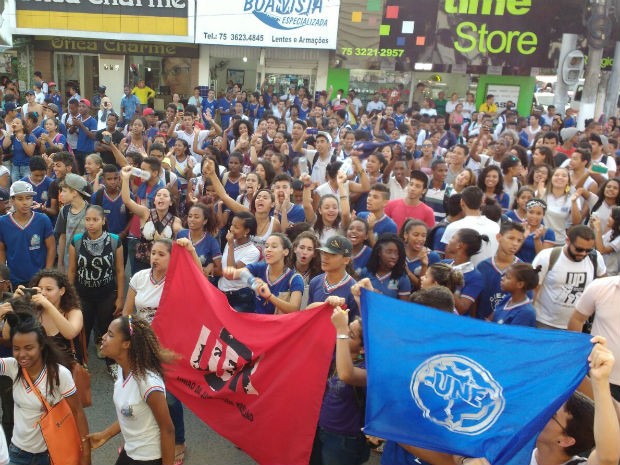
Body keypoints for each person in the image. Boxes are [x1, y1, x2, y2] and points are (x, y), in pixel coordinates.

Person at [123, 239, 198, 464]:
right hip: (140, 344)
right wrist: (127, 339)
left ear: (172, 258)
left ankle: (179, 441)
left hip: (167, 347)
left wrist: (191, 250)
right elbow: (127, 312)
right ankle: (137, 440)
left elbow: (200, 280)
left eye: (161, 254)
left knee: (171, 397)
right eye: (153, 253)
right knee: (138, 393)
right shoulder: (139, 277)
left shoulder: (177, 281)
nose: (154, 257)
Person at [0, 312, 89, 465]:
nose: (22, 355)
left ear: (41, 345)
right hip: (17, 454)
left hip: (52, 455)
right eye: (16, 348)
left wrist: (86, 453)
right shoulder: (12, 367)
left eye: (29, 348)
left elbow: (78, 412)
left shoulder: (59, 374)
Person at [88, 315, 175, 465]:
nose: (102, 337)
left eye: (110, 334)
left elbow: (168, 430)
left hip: (149, 459)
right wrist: (105, 435)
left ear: (126, 344)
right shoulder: (123, 372)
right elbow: (130, 413)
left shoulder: (148, 383)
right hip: (131, 453)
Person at [310, 305, 369, 465]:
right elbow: (308, 311)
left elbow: (346, 374)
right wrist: (327, 304)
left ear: (363, 348)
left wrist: (342, 330)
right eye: (347, 328)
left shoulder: (368, 369)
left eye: (350, 334)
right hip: (319, 428)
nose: (342, 334)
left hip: (343, 439)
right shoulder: (338, 352)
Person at [68, 205, 124, 368]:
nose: (91, 223)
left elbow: (120, 271)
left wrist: (120, 298)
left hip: (106, 294)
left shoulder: (114, 241)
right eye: (87, 219)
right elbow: (72, 271)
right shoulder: (77, 241)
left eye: (95, 220)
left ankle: (111, 363)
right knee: (82, 328)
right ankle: (80, 361)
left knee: (107, 326)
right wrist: (69, 297)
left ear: (103, 221)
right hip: (83, 293)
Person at [533, 225, 606, 329]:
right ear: (567, 241)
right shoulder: (547, 256)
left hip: (578, 325)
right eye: (579, 249)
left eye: (588, 250)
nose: (583, 253)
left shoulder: (595, 257)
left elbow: (603, 286)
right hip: (544, 323)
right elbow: (533, 290)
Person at [223, 233, 304, 314]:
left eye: (274, 246)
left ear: (285, 252)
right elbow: (240, 273)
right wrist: (230, 272)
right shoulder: (259, 267)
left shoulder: (295, 278)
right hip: (257, 321)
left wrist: (269, 296)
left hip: (279, 324)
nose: (268, 249)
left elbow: (294, 309)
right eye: (266, 246)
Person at [0, 181, 55, 288]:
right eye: (20, 199)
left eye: (28, 198)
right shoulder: (2, 222)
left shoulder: (42, 220)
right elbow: (1, 250)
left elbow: (51, 247)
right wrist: (3, 277)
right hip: (13, 279)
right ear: (12, 200)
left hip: (38, 279)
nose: (25, 202)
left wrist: (47, 274)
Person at [476, 222, 525, 320]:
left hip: (506, 327)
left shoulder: (523, 270)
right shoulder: (483, 267)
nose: (515, 243)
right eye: (511, 238)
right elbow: (475, 300)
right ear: (499, 237)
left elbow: (523, 304)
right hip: (480, 324)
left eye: (519, 240)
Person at [440, 186, 500, 266]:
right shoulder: (495, 227)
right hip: (487, 274)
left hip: (461, 275)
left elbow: (448, 258)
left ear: (462, 202)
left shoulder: (453, 227)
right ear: (482, 201)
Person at [217, 212, 261, 312]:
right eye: (232, 225)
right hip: (222, 292)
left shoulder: (253, 252)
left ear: (247, 231)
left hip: (240, 297)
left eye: (236, 227)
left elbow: (231, 272)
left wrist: (231, 245)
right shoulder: (230, 242)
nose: (231, 229)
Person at [306, 235, 359, 318]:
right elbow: (307, 315)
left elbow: (353, 327)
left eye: (332, 254)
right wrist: (325, 304)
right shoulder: (315, 282)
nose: (325, 257)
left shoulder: (354, 290)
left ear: (346, 260)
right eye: (323, 252)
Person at [360, 233, 411, 300]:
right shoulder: (366, 272)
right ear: (379, 252)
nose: (393, 256)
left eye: (397, 253)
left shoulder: (402, 278)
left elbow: (403, 307)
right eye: (389, 252)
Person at [55, 173, 90, 271]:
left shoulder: (91, 211)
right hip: (68, 263)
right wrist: (60, 262)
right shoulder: (64, 210)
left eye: (64, 191)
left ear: (74, 193)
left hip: (88, 263)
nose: (61, 194)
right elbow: (63, 237)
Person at [492, 262, 538, 326]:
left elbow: (511, 335)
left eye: (507, 277)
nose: (502, 278)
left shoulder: (526, 313)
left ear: (520, 284)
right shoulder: (507, 298)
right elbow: (491, 320)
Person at [517, 198, 556, 263]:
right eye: (531, 212)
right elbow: (511, 251)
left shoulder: (548, 233)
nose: (534, 216)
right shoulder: (518, 227)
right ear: (526, 212)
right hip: (517, 268)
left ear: (543, 215)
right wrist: (523, 237)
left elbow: (543, 258)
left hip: (536, 269)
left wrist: (537, 240)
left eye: (538, 213)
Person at [590, 206, 620, 275]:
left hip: (610, 275)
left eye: (611, 217)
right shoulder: (611, 232)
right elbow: (595, 245)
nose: (608, 219)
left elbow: (602, 250)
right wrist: (593, 228)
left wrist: (598, 229)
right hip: (600, 271)